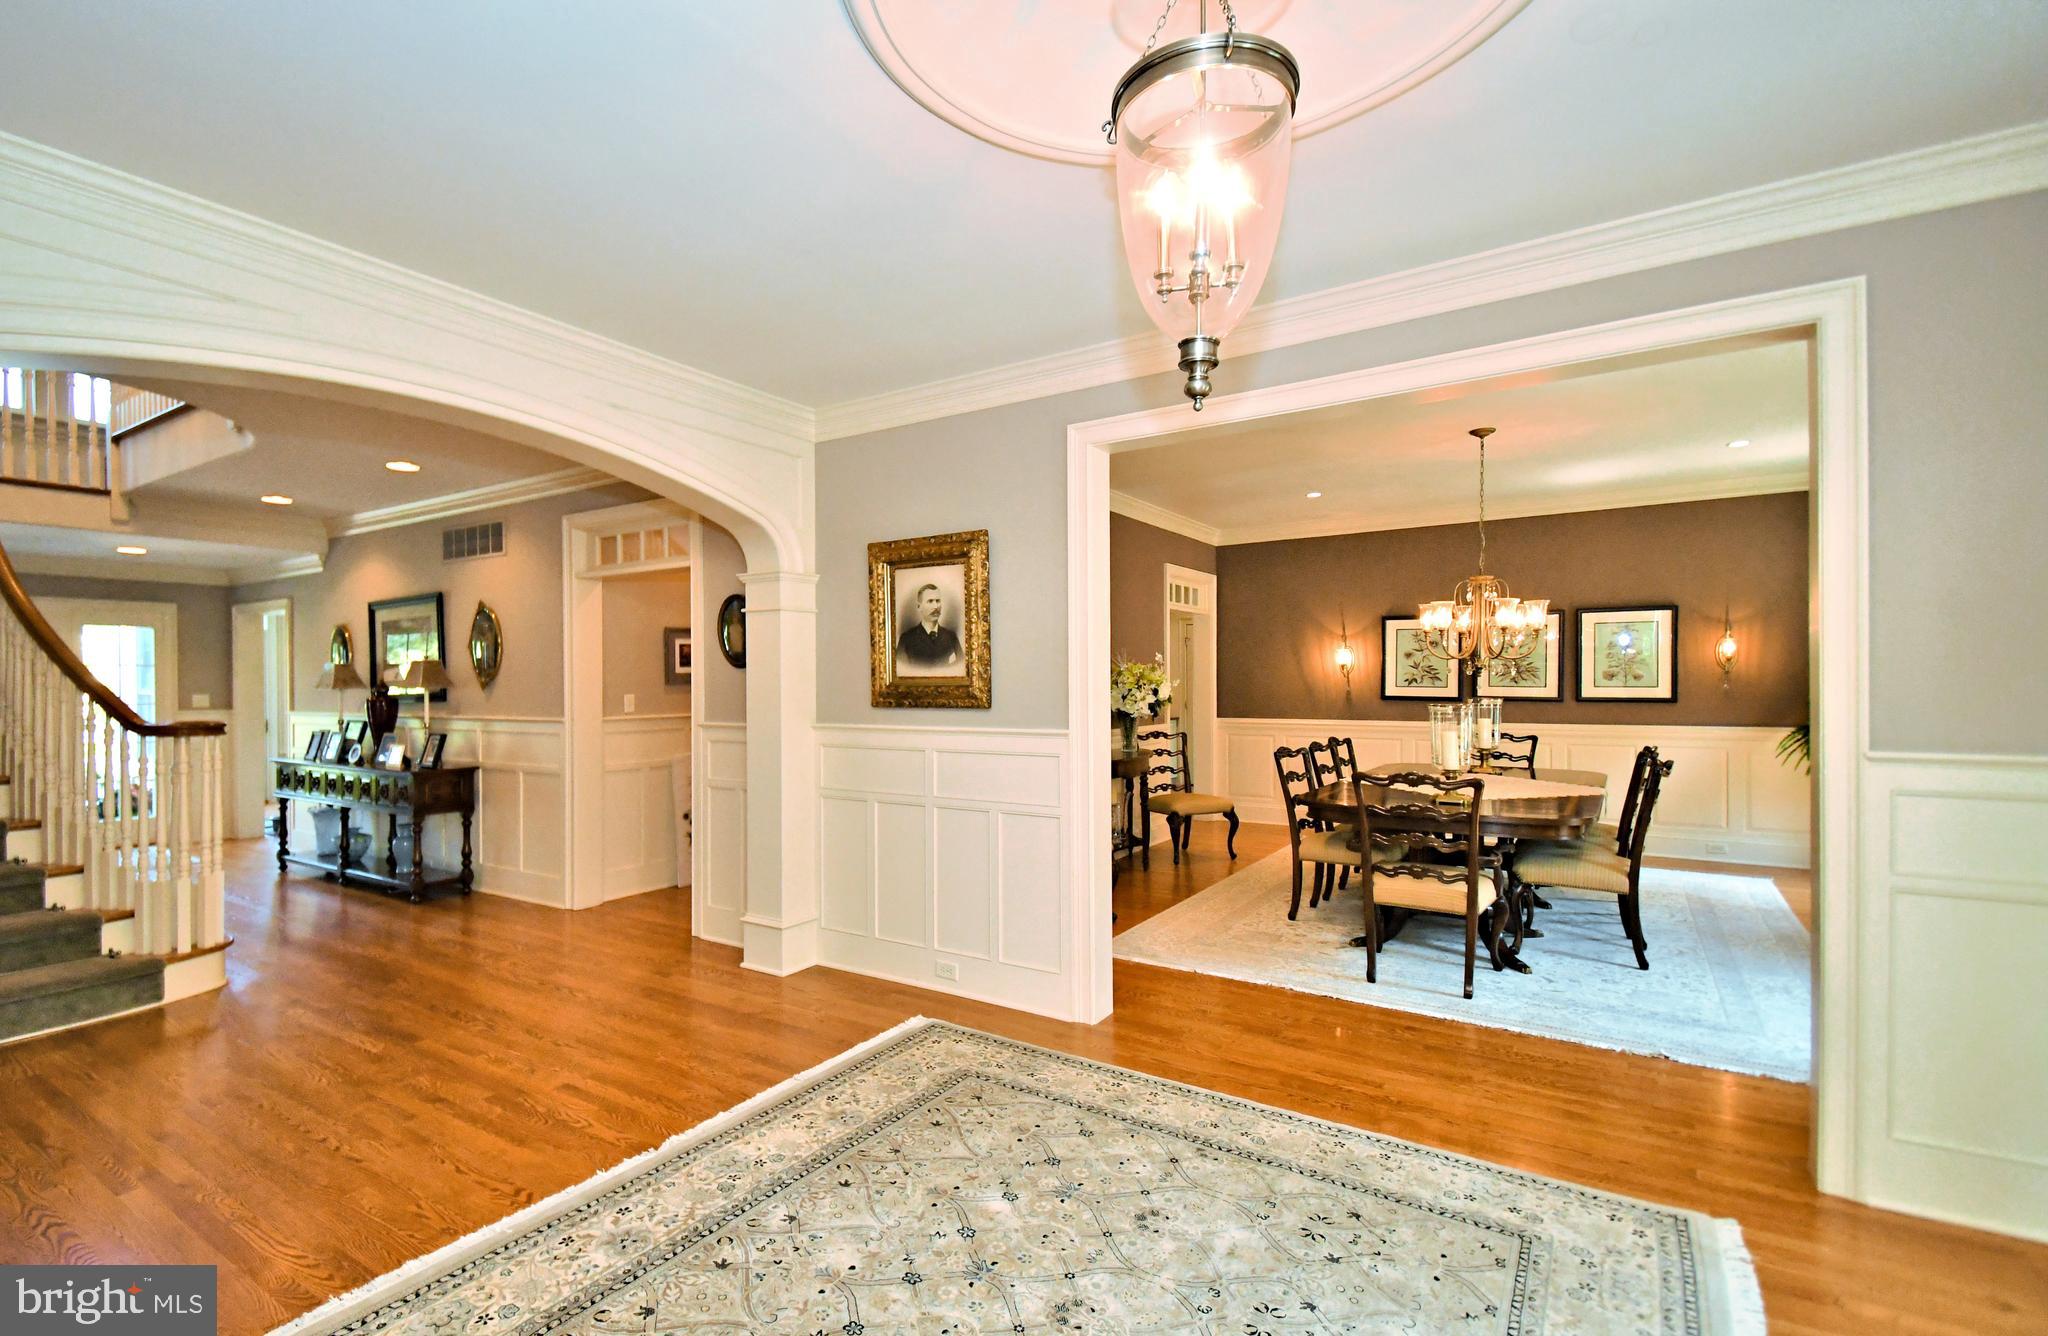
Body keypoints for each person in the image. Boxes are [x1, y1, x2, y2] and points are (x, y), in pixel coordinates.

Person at [894, 581, 962, 671]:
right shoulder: (906, 639)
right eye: (930, 601)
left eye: (938, 601)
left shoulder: (951, 637)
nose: (936, 606)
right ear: (919, 607)